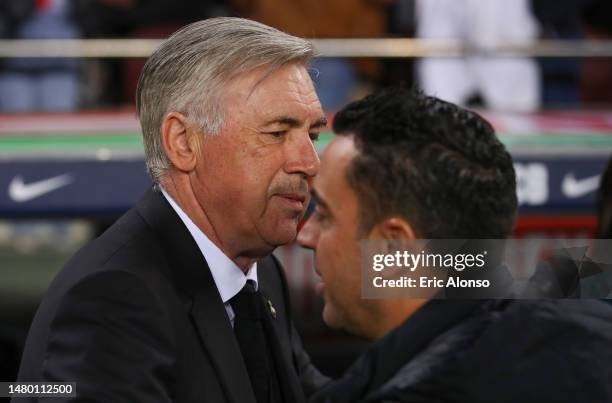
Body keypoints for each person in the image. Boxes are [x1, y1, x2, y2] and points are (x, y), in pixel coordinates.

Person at [15, 17, 329, 403]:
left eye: (312, 135)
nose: (310, 162)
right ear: (183, 143)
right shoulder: (114, 299)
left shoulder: (261, 275)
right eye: (278, 134)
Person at [298, 87, 612, 402]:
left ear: (393, 250)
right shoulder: (590, 341)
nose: (304, 236)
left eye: (324, 215)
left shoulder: (428, 390)